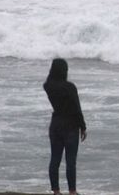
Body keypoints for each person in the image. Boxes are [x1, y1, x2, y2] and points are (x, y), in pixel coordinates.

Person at [43, 58, 87, 195]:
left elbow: (48, 81)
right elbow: (76, 108)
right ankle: (72, 191)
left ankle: (56, 191)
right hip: (70, 125)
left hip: (56, 124)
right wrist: (83, 126)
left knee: (55, 159)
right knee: (70, 161)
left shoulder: (48, 86)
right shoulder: (69, 87)